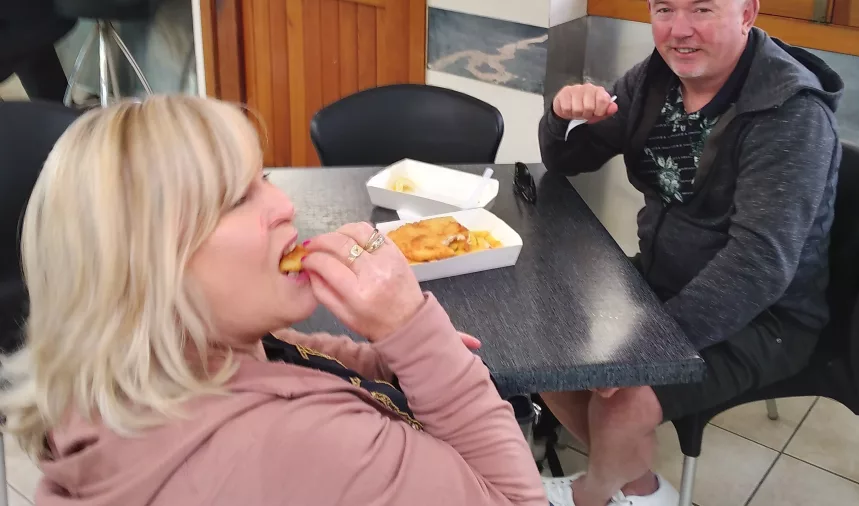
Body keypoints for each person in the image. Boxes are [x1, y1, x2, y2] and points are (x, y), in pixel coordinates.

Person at [0, 96, 548, 506]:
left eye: (263, 178)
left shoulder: (157, 362)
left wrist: (398, 357)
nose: (284, 204)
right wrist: (416, 333)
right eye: (238, 198)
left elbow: (286, 354)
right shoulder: (300, 450)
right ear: (147, 269)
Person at [537, 0, 843, 504]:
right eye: (664, 8)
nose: (679, 30)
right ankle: (638, 488)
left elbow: (759, 265)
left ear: (747, 14)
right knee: (548, 351)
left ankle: (593, 494)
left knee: (621, 397)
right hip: (662, 279)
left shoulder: (791, 112)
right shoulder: (654, 79)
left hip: (767, 315)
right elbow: (568, 159)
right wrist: (562, 114)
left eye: (702, 9)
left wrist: (650, 349)